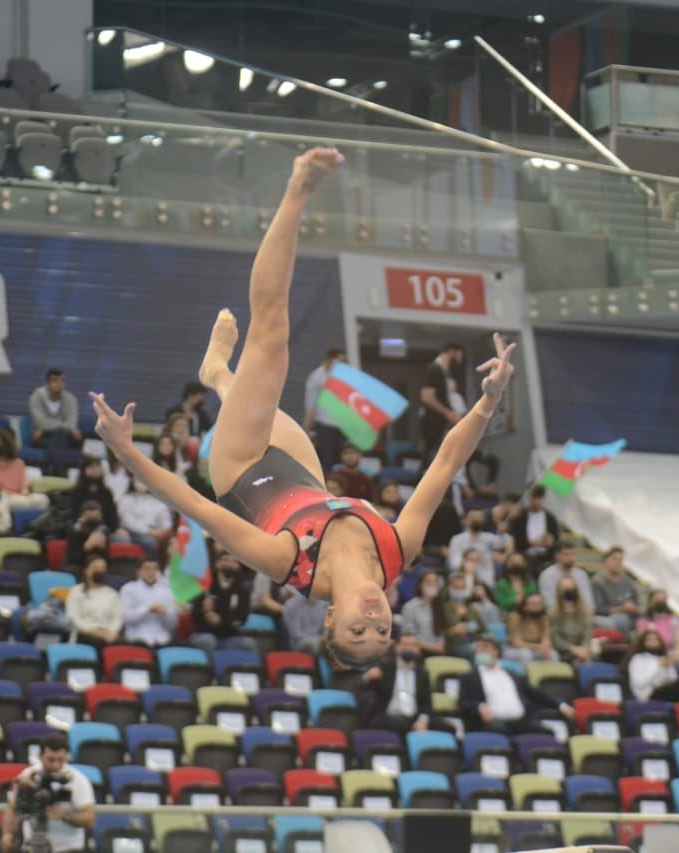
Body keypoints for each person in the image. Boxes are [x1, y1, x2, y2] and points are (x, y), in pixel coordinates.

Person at [90, 147, 519, 672]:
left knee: (270, 334)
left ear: (332, 615)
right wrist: (489, 401)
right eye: (382, 629)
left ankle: (298, 187)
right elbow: (445, 466)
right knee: (251, 386)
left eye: (357, 629)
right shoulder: (396, 551)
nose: (374, 618)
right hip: (303, 475)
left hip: (242, 467)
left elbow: (194, 506)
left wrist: (126, 452)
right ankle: (218, 375)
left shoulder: (287, 562)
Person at [1, 732, 96, 853]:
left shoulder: (77, 780)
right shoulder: (28, 776)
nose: (56, 764)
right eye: (51, 759)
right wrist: (7, 834)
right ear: (40, 756)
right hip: (33, 845)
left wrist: (66, 816)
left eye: (60, 760)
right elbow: (13, 808)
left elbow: (89, 818)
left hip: (68, 848)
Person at [458, 634, 571, 734]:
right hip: (493, 722)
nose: (480, 651)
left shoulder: (511, 674)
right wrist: (479, 706)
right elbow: (462, 703)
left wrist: (561, 706)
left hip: (520, 722)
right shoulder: (469, 677)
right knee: (500, 730)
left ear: (496, 652)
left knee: (546, 732)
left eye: (485, 647)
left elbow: (535, 693)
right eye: (478, 647)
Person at [357, 631, 433, 734]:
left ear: (418, 650)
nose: (408, 648)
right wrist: (368, 677)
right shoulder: (385, 667)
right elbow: (361, 686)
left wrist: (423, 720)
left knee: (445, 727)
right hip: (388, 715)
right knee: (395, 724)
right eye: (405, 644)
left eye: (413, 645)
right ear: (396, 647)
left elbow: (426, 702)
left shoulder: (423, 673)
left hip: (413, 718)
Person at [189, 550, 257, 653]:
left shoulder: (242, 591)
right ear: (217, 563)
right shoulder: (204, 587)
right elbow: (194, 615)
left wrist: (221, 620)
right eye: (225, 560)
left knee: (249, 643)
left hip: (229, 637)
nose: (229, 564)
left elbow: (241, 619)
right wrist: (204, 612)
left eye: (234, 561)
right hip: (203, 634)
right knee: (209, 641)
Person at [626, 628, 679, 703]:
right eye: (649, 640)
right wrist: (658, 666)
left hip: (664, 690)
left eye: (656, 640)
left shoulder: (662, 657)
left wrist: (668, 667)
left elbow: (673, 679)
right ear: (643, 642)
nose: (653, 642)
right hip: (647, 694)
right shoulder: (637, 659)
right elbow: (639, 683)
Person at [419, 342, 465, 465]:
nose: (460, 361)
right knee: (433, 462)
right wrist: (448, 413)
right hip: (433, 426)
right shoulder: (435, 369)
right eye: (459, 356)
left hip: (441, 426)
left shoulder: (446, 374)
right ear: (451, 352)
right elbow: (427, 397)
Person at [0, 429, 49, 510]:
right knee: (22, 502)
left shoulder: (19, 463)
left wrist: (24, 491)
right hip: (1, 498)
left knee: (43, 499)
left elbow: (24, 483)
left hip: (20, 496)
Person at [303, 346, 348, 469]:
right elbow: (310, 404)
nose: (342, 364)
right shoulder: (316, 377)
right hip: (324, 424)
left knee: (341, 459)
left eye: (344, 362)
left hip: (343, 424)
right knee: (326, 459)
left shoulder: (345, 377)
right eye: (340, 361)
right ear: (330, 360)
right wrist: (307, 429)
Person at [65, 553, 123, 647]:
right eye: (96, 568)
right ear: (86, 570)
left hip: (108, 635)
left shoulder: (112, 594)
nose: (100, 571)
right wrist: (94, 631)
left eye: (102, 568)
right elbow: (74, 617)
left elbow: (117, 618)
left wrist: (111, 632)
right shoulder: (76, 591)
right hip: (84, 635)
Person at [119, 558, 179, 647]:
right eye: (147, 569)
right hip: (137, 640)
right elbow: (126, 617)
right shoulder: (129, 589)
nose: (151, 572)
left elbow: (173, 625)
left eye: (155, 569)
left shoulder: (167, 592)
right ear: (138, 572)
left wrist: (165, 613)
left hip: (163, 640)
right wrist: (148, 608)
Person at [117, 473, 174, 552]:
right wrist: (149, 531)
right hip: (133, 532)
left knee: (172, 542)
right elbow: (129, 522)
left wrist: (163, 532)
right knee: (150, 542)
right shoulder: (126, 499)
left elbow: (166, 522)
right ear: (132, 480)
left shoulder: (157, 501)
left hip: (156, 532)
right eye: (138, 478)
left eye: (144, 479)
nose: (141, 481)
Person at [637, 589, 679, 667]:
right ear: (650, 602)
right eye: (657, 599)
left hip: (670, 653)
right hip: (651, 654)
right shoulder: (643, 621)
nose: (661, 602)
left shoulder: (674, 621)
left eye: (664, 599)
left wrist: (677, 653)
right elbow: (642, 643)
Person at [29, 367, 82, 450]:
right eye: (55, 380)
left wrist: (47, 427)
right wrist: (66, 426)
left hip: (65, 435)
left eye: (62, 380)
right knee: (57, 440)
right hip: (43, 436)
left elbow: (72, 424)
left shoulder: (71, 399)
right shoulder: (36, 397)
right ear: (47, 384)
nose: (59, 384)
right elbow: (41, 423)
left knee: (70, 438)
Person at [445, 570, 494, 658]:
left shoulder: (471, 609)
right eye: (455, 587)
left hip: (474, 641)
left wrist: (483, 641)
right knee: (474, 652)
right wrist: (453, 631)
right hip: (454, 645)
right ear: (448, 588)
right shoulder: (442, 609)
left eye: (462, 588)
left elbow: (483, 630)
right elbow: (437, 635)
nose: (459, 590)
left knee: (493, 649)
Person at [592, 546, 641, 634]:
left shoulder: (627, 580)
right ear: (605, 561)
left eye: (620, 560)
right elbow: (599, 609)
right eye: (614, 559)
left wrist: (634, 608)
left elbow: (637, 603)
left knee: (645, 621)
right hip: (608, 618)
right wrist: (622, 608)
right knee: (621, 619)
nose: (618, 563)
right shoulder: (597, 582)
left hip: (629, 615)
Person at [537, 540, 593, 616]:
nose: (571, 558)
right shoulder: (547, 575)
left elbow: (588, 601)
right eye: (566, 554)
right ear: (557, 555)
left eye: (573, 554)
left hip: (580, 615)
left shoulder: (581, 574)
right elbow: (549, 603)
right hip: (556, 616)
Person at [400, 571, 450, 656]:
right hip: (418, 652)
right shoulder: (410, 607)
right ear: (420, 584)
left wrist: (440, 646)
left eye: (435, 582)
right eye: (428, 581)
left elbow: (442, 632)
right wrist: (431, 648)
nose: (432, 584)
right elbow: (409, 635)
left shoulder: (441, 607)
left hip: (439, 652)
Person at [447, 509, 509, 574]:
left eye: (479, 517)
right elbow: (454, 559)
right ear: (465, 520)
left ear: (483, 520)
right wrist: (466, 563)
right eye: (473, 517)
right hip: (464, 574)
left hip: (486, 575)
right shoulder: (457, 539)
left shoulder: (490, 538)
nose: (476, 519)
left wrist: (502, 533)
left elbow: (505, 544)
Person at [550, 576, 595, 664]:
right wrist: (573, 649)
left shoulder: (585, 612)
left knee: (588, 659)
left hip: (582, 651)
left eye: (571, 590)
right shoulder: (553, 613)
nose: (568, 593)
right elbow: (555, 639)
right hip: (563, 651)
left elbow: (587, 635)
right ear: (559, 592)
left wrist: (583, 649)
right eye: (564, 590)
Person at [509, 486, 559, 560]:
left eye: (539, 498)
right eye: (534, 498)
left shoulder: (550, 518)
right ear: (529, 497)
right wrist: (532, 543)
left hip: (546, 557)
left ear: (544, 499)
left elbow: (555, 539)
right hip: (523, 556)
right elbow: (514, 539)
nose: (536, 502)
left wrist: (551, 541)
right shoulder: (520, 516)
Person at [68, 458, 118, 528]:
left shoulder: (106, 492)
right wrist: (85, 518)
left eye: (97, 466)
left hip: (104, 527)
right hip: (81, 526)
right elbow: (73, 515)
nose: (94, 469)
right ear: (83, 470)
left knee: (122, 536)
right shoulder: (77, 492)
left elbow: (112, 516)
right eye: (91, 467)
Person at [506, 592, 554, 663]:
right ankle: (526, 674)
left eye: (540, 603)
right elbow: (517, 643)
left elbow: (545, 638)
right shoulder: (515, 617)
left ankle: (552, 674)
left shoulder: (543, 618)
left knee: (553, 654)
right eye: (534, 604)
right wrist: (539, 647)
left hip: (536, 649)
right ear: (524, 606)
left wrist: (545, 647)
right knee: (525, 654)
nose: (538, 607)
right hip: (514, 649)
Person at [66, 500, 112, 568]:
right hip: (77, 564)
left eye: (97, 516)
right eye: (90, 516)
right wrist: (86, 547)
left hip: (98, 563)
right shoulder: (75, 530)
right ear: (82, 516)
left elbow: (107, 558)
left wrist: (102, 547)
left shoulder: (103, 530)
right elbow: (72, 558)